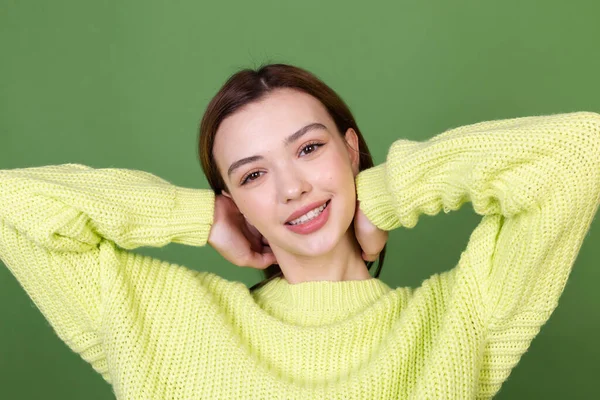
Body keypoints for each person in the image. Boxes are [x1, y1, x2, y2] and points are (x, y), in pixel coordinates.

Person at [0, 63, 598, 399]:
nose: (292, 188)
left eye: (309, 148)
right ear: (236, 202)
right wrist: (197, 218)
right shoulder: (157, 318)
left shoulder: (462, 319)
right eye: (254, 174)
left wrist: (389, 193)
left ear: (350, 148)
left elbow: (578, 155)